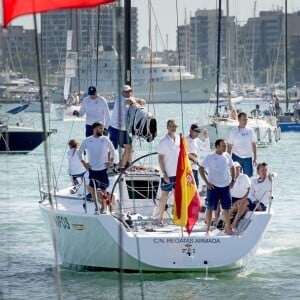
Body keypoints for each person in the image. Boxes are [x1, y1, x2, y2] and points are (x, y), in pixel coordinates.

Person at [77, 122, 115, 214]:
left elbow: (113, 151)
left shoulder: (105, 139)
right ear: (94, 129)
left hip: (103, 169)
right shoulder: (87, 140)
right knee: (93, 190)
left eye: (102, 128)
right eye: (99, 128)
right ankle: (96, 207)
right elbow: (79, 153)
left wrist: (111, 162)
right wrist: (84, 164)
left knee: (103, 190)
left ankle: (104, 208)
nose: (102, 130)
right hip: (92, 170)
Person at [199, 139, 235, 235]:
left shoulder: (227, 156)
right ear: (217, 146)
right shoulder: (210, 157)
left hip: (225, 187)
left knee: (226, 208)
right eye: (223, 145)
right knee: (210, 208)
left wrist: (233, 181)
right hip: (213, 187)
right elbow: (201, 168)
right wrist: (206, 182)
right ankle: (207, 230)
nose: (225, 147)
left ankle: (228, 228)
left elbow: (233, 167)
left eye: (225, 145)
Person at [109, 84, 146, 171]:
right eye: (126, 92)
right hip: (115, 128)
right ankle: (110, 166)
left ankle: (122, 166)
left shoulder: (131, 98)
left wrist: (137, 100)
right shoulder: (120, 99)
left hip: (124, 130)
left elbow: (143, 102)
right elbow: (129, 101)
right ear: (122, 92)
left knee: (129, 147)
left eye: (129, 91)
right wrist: (137, 100)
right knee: (113, 149)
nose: (128, 93)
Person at [231, 162, 274, 229]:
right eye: (262, 170)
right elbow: (250, 194)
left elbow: (275, 175)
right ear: (258, 172)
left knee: (243, 203)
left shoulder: (268, 179)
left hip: (262, 205)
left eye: (266, 170)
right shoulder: (254, 181)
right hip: (254, 203)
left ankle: (233, 223)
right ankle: (226, 221)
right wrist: (255, 201)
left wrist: (272, 174)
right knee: (239, 204)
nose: (264, 172)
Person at [157, 119, 180, 224]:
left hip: (178, 173)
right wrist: (164, 173)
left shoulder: (179, 139)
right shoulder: (163, 142)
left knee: (178, 196)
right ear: (167, 127)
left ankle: (177, 218)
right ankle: (160, 218)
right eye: (171, 126)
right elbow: (160, 158)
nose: (173, 128)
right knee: (164, 195)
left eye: (174, 126)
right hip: (167, 173)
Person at [227, 112, 257, 177]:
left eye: (246, 119)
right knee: (235, 177)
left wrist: (255, 157)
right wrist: (228, 159)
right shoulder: (233, 131)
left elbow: (254, 144)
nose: (245, 121)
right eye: (243, 119)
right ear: (239, 120)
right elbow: (229, 146)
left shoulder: (250, 131)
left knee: (248, 178)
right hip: (236, 157)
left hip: (248, 158)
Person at [185, 123, 210, 189]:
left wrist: (206, 137)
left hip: (195, 168)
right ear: (191, 131)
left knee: (196, 188)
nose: (198, 133)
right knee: (189, 188)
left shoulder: (197, 140)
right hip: (187, 168)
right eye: (196, 131)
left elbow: (207, 148)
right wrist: (192, 157)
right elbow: (183, 152)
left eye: (199, 131)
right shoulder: (184, 140)